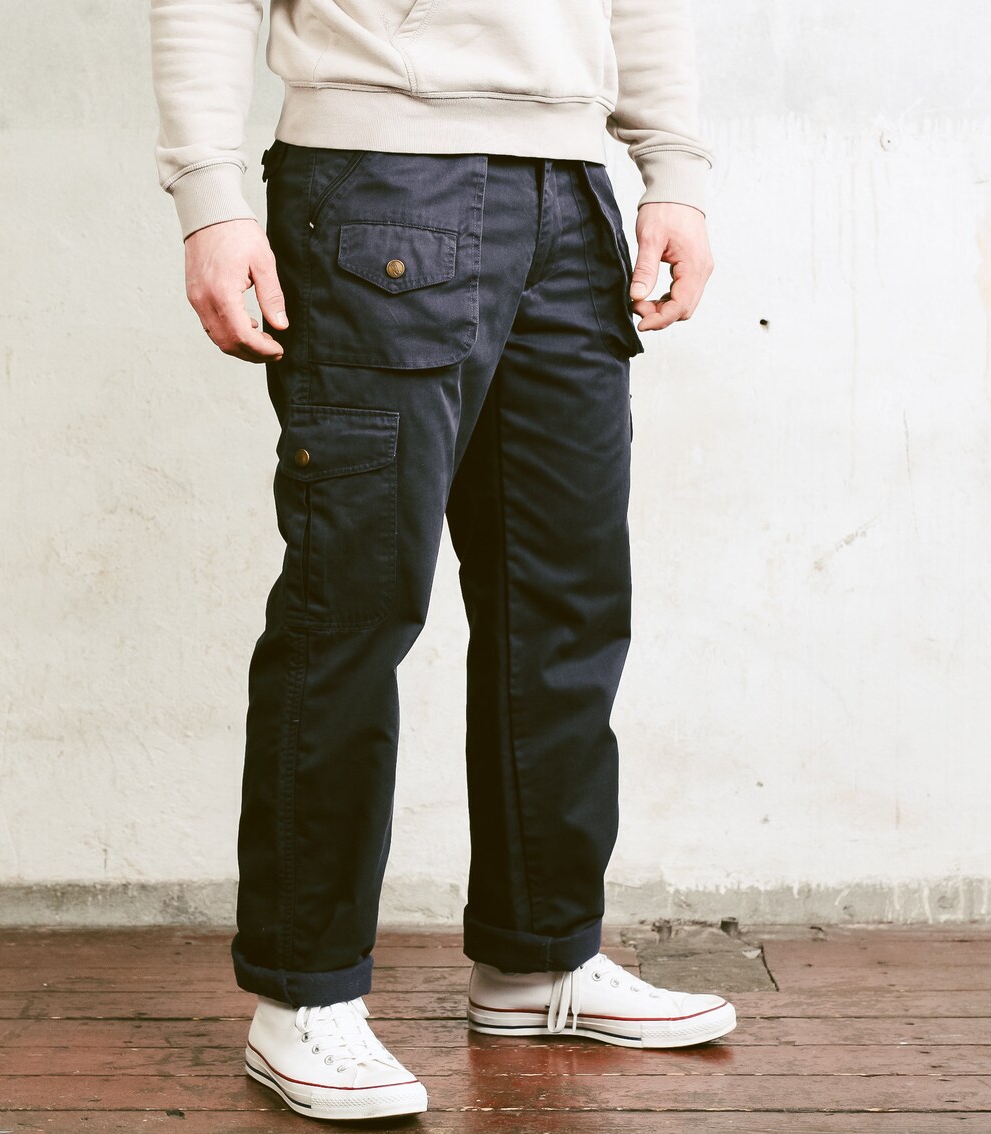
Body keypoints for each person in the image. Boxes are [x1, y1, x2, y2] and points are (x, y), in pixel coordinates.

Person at [150, 0, 734, 1120]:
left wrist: (673, 170)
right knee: (351, 603)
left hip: (572, 197)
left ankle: (538, 960)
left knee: (563, 602)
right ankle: (303, 995)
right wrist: (210, 199)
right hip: (381, 180)